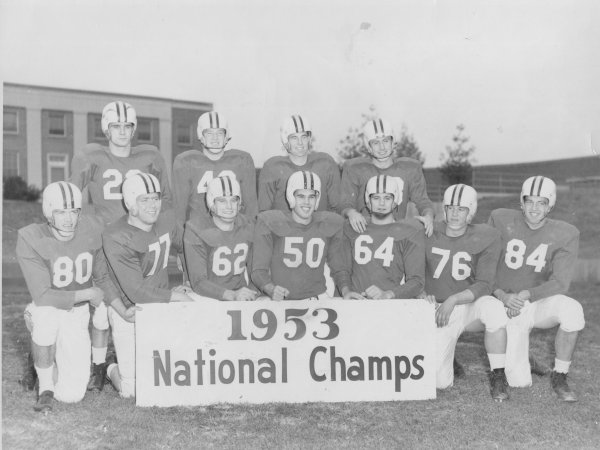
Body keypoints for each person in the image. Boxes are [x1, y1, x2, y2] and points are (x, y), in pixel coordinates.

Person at [69, 100, 173, 391]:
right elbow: (73, 197)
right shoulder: (91, 155)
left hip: (137, 239)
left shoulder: (150, 155)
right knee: (103, 308)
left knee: (137, 301)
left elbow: (166, 199)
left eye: (127, 126)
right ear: (106, 128)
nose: (123, 131)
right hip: (105, 238)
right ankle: (100, 365)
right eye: (117, 126)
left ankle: (125, 360)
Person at [16, 182, 119, 412]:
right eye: (61, 211)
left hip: (77, 312)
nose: (69, 218)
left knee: (71, 395)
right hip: (47, 306)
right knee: (45, 318)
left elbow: (101, 276)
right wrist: (87, 292)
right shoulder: (30, 237)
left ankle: (40, 360)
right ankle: (45, 389)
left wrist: (120, 308)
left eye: (74, 211)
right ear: (48, 212)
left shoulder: (92, 230)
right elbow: (42, 295)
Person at [489, 176, 584, 402]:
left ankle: (560, 375)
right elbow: (483, 264)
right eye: (529, 201)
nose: (534, 208)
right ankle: (526, 358)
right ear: (521, 202)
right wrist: (502, 295)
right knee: (518, 381)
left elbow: (561, 282)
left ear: (550, 205)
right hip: (505, 302)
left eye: (541, 202)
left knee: (573, 310)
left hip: (536, 302)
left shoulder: (566, 233)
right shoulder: (500, 219)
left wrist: (527, 295)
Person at [102, 173, 193, 398]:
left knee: (172, 375)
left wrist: (188, 281)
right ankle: (109, 367)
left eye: (156, 198)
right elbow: (136, 291)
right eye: (145, 200)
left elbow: (189, 247)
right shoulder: (116, 235)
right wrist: (175, 297)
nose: (153, 205)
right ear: (131, 204)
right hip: (130, 309)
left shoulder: (167, 219)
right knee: (132, 391)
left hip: (160, 301)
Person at [421, 184, 509, 401]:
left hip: (467, 304)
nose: (454, 214)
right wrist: (421, 292)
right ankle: (449, 357)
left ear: (471, 212)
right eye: (450, 208)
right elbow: (411, 268)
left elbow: (485, 284)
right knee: (439, 383)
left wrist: (454, 299)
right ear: (443, 208)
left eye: (461, 209)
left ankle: (499, 375)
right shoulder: (428, 231)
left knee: (494, 309)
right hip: (437, 309)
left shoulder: (487, 236)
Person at [251, 171, 348, 300]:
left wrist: (346, 291)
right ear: (291, 197)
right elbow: (258, 271)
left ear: (317, 199)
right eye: (301, 196)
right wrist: (271, 289)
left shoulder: (330, 223)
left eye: (312, 197)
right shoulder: (271, 222)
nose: (307, 202)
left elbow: (339, 268)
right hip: (280, 300)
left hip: (316, 299)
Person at [339, 118, 434, 236]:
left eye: (385, 141)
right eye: (375, 142)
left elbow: (423, 201)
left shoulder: (409, 169)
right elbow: (344, 204)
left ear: (393, 142)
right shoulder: (355, 169)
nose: (382, 147)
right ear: (368, 146)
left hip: (395, 234)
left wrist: (428, 216)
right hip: (363, 235)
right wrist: (351, 213)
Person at [340, 175, 425, 300]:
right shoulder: (353, 227)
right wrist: (346, 291)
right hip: (355, 303)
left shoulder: (409, 231)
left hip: (389, 306)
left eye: (387, 198)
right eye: (376, 197)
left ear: (395, 201)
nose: (381, 203)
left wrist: (388, 294)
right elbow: (342, 269)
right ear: (368, 202)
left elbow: (417, 281)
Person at [172, 111, 258, 224]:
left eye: (220, 133)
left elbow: (251, 208)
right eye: (209, 133)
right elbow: (179, 210)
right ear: (201, 136)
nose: (215, 138)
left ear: (226, 136)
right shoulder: (187, 162)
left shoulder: (241, 161)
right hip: (198, 233)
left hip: (232, 232)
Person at [183, 176, 257, 301]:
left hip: (240, 293)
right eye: (222, 201)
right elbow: (199, 282)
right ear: (212, 204)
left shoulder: (248, 225)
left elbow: (256, 270)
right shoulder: (196, 229)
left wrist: (252, 292)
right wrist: (232, 295)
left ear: (239, 204)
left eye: (233, 200)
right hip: (208, 296)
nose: (229, 206)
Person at [258, 114, 341, 213]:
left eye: (304, 137)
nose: (300, 142)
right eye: (294, 138)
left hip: (319, 226)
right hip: (283, 227)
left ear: (309, 139)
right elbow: (264, 211)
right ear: (286, 140)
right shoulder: (273, 167)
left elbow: (337, 207)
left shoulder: (325, 163)